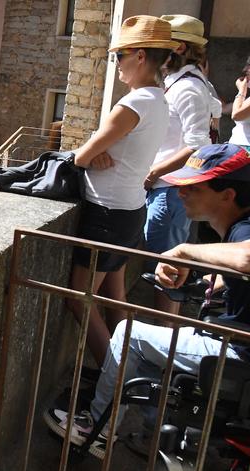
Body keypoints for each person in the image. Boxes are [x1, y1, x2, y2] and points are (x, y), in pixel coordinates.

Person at [46, 144, 250, 457]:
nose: (181, 192)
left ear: (228, 195)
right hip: (234, 341)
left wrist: (184, 253)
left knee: (130, 335)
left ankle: (97, 431)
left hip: (239, 352)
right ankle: (156, 434)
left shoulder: (246, 230)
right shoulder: (240, 227)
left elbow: (249, 258)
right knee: (144, 360)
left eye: (194, 187)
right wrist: (215, 280)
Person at [66, 16, 177, 366]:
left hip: (107, 213)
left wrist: (92, 155)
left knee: (77, 298)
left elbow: (81, 156)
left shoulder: (133, 104)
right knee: (115, 298)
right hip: (130, 210)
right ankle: (136, 370)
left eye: (119, 56)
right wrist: (97, 154)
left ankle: (114, 387)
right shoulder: (159, 100)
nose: (116, 64)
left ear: (140, 56)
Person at [143, 15, 215, 319]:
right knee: (167, 270)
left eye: (162, 47)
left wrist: (154, 172)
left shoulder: (187, 88)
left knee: (166, 275)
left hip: (169, 190)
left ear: (179, 47)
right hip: (171, 190)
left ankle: (164, 347)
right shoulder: (191, 83)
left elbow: (196, 145)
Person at [230, 55, 250, 153]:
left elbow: (236, 114)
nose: (245, 69)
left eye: (249, 65)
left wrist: (241, 91)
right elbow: (223, 107)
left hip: (246, 151)